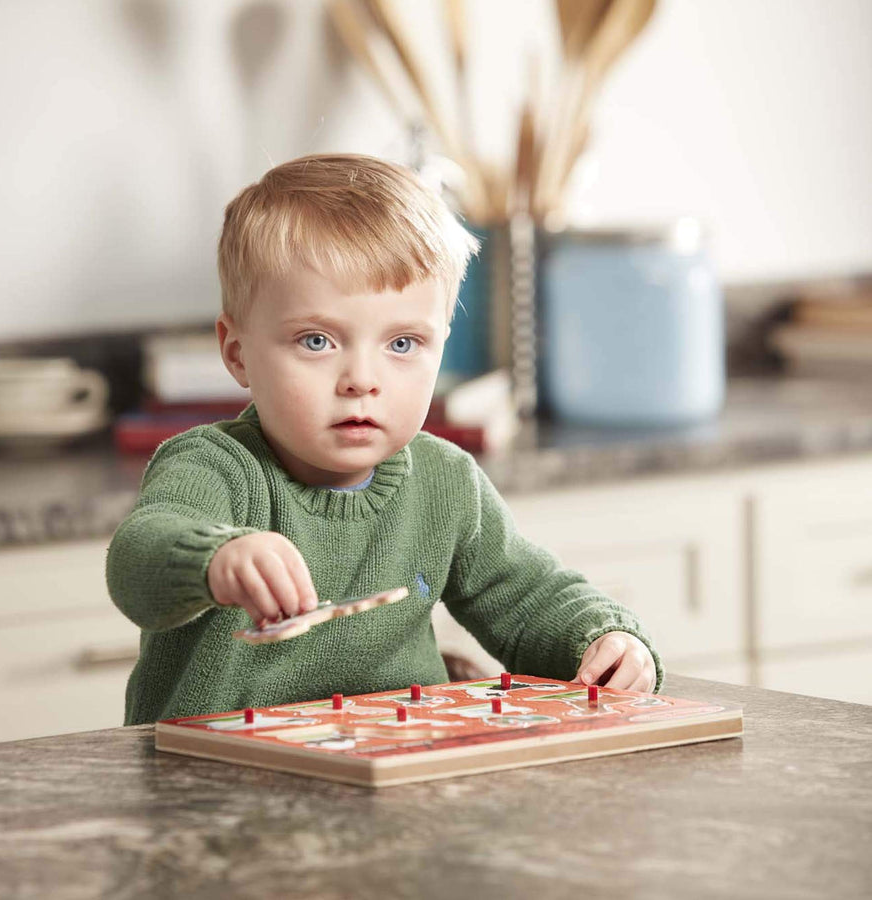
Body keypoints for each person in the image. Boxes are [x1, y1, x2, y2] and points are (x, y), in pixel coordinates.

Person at [107, 153, 662, 725]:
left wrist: (605, 640)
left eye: (402, 344)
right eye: (317, 341)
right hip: (213, 775)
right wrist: (213, 559)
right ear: (236, 352)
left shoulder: (445, 481)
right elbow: (137, 562)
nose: (361, 380)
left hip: (401, 767)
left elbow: (527, 597)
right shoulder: (213, 467)